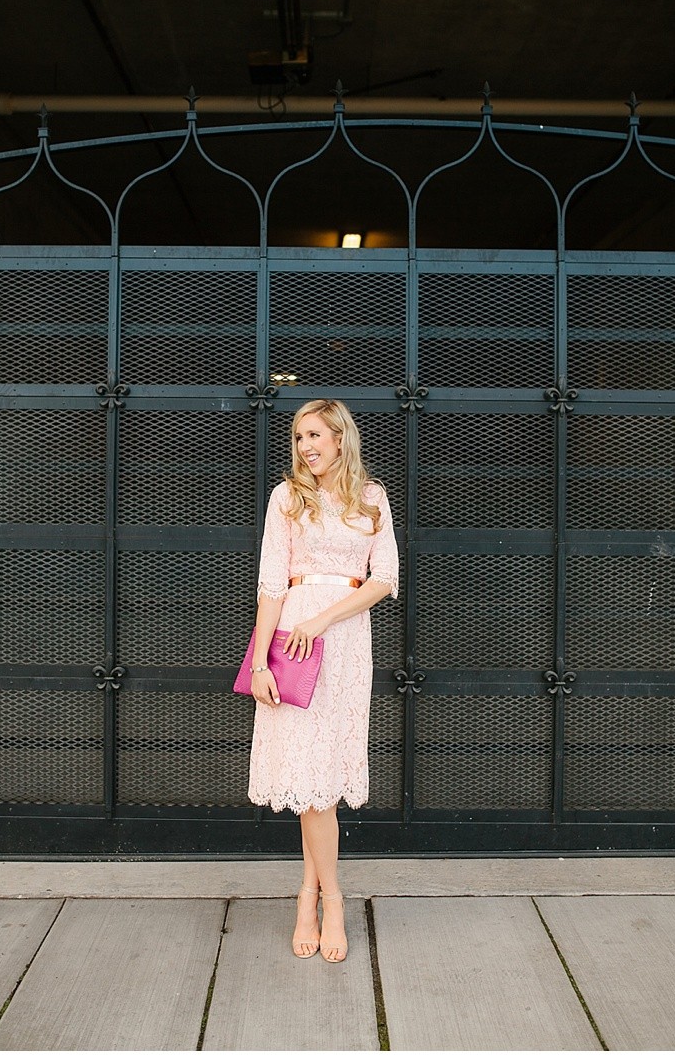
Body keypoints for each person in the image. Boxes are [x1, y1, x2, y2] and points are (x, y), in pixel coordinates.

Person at [247, 399, 399, 962]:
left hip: (344, 642)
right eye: (298, 435)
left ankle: (311, 893)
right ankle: (327, 898)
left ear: (340, 438)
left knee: (323, 781)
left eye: (315, 434)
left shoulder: (372, 497)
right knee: (310, 781)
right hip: (292, 641)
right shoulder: (286, 497)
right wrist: (261, 661)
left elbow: (383, 578)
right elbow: (269, 585)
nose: (305, 445)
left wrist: (326, 617)